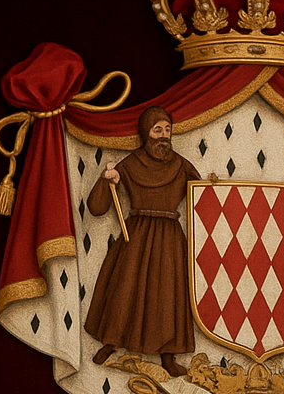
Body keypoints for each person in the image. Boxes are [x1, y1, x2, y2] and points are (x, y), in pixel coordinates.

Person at [85, 106, 200, 377]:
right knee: (126, 288)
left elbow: (202, 200)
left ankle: (168, 355)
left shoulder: (181, 165)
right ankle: (111, 342)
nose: (163, 136)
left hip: (170, 237)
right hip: (135, 235)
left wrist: (212, 188)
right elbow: (97, 207)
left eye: (167, 130)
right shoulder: (130, 163)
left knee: (168, 294)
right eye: (157, 129)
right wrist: (106, 181)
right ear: (145, 133)